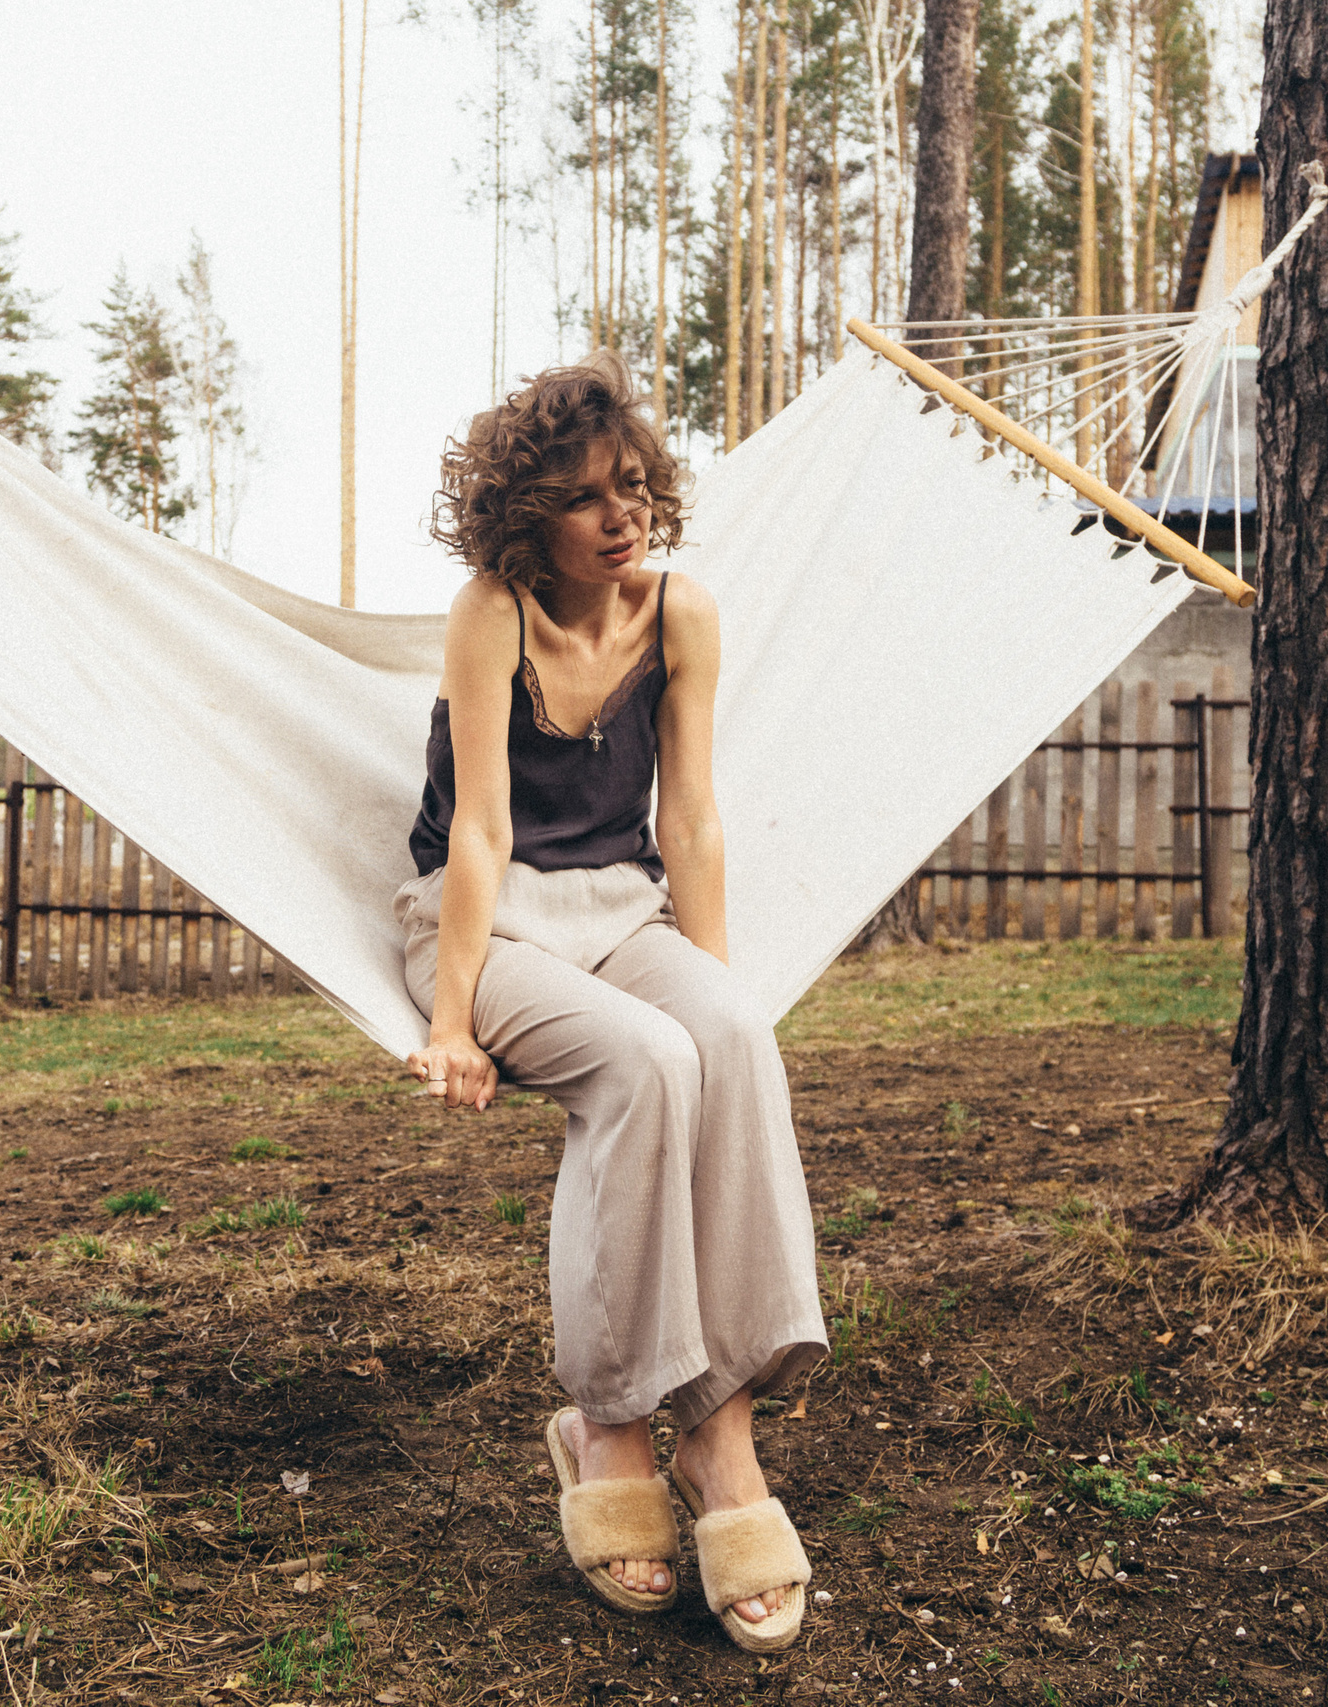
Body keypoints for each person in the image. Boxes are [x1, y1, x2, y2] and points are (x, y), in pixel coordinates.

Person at [399, 355, 828, 1652]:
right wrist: (451, 1019)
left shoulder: (680, 614)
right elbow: (477, 831)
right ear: (530, 515)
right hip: (484, 920)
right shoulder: (493, 613)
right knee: (641, 1068)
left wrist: (711, 982)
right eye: (586, 497)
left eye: (633, 486)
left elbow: (687, 817)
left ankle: (725, 1432)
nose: (619, 514)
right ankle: (607, 1423)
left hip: (620, 908)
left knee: (728, 1041)